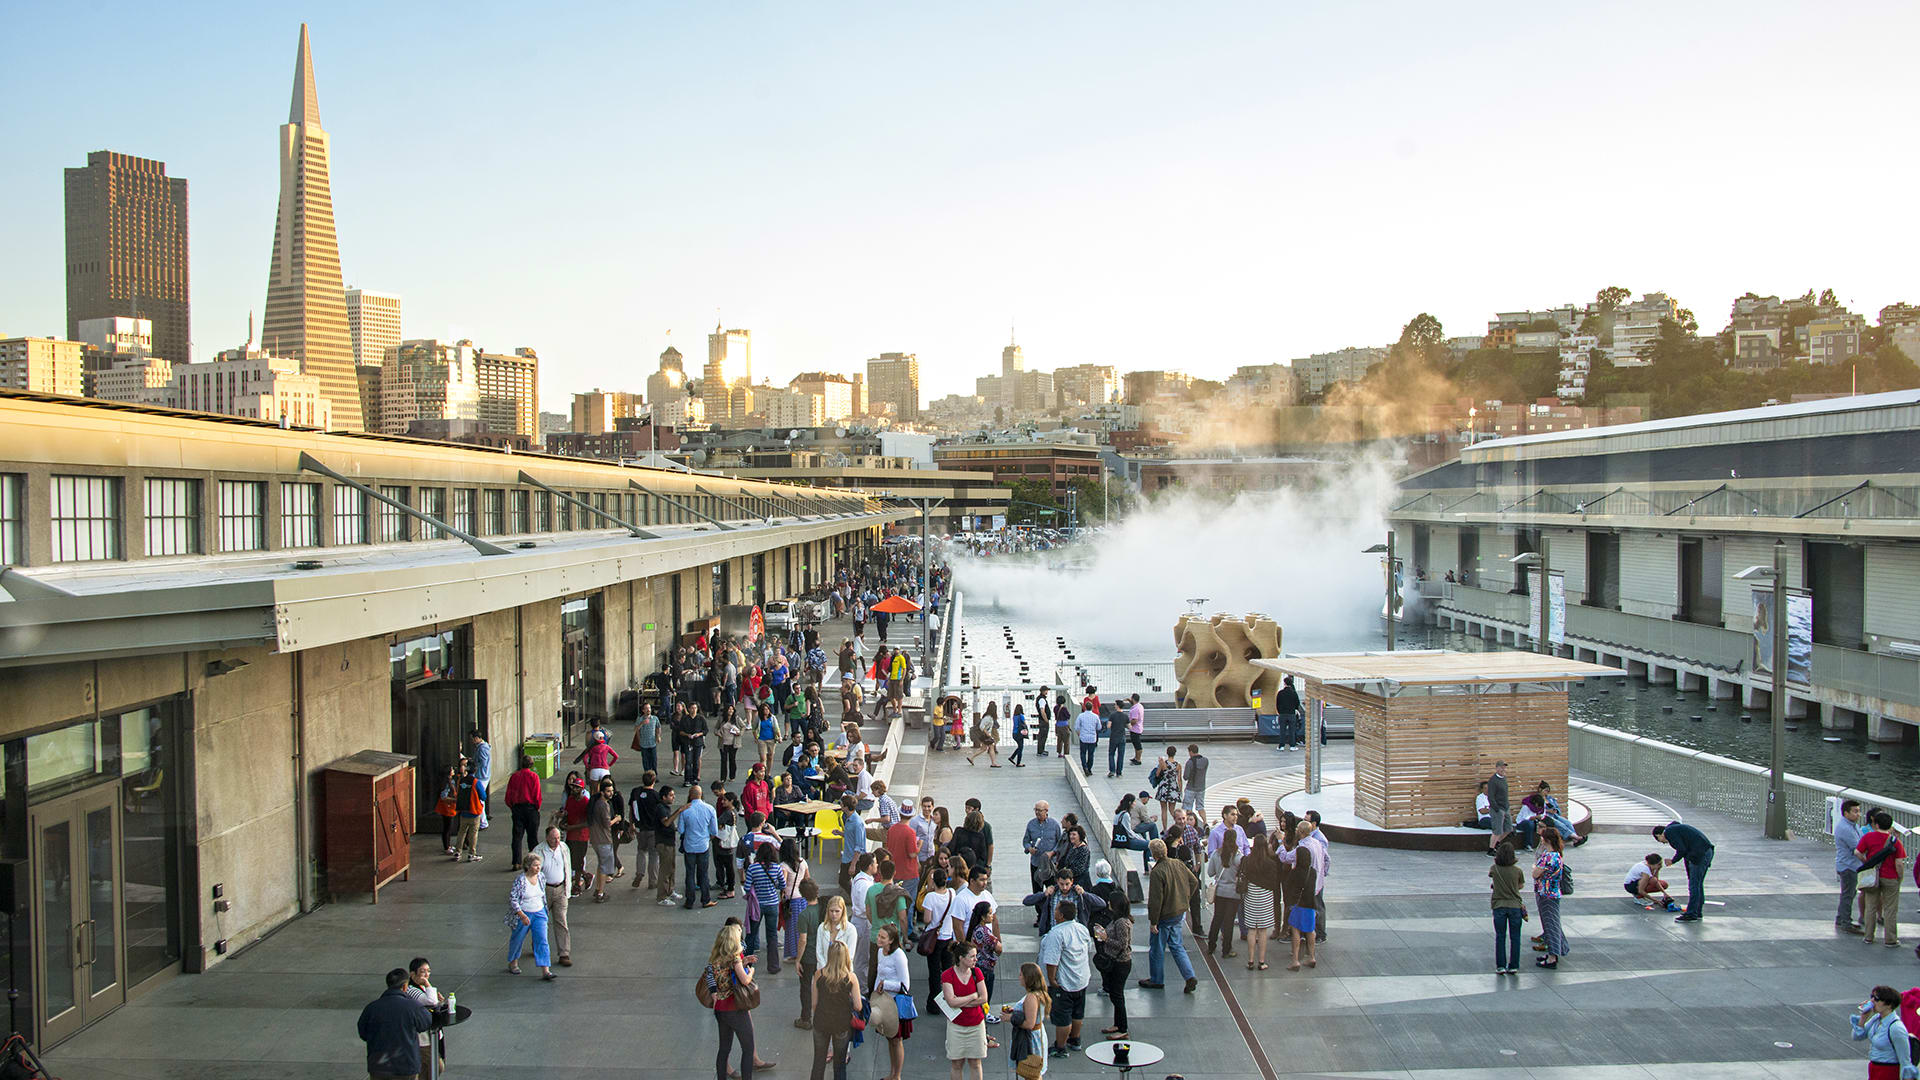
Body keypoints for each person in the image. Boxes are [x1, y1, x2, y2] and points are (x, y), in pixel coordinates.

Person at [705, 924, 771, 1080]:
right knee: (748, 1048)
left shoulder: (714, 958)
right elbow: (745, 980)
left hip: (720, 1009)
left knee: (724, 1048)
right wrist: (752, 970)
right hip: (735, 1008)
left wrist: (744, 961)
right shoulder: (734, 957)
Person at [1140, 839, 1198, 993]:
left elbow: (1156, 900)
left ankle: (1157, 979)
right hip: (1179, 912)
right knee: (1177, 946)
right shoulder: (1178, 863)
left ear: (1153, 854)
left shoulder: (1157, 872)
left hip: (1164, 916)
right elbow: (1194, 881)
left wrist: (1153, 921)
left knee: (1157, 948)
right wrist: (1185, 898)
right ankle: (1189, 975)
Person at [1038, 898, 1092, 1059]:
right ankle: (1075, 1039)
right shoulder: (1082, 929)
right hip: (1081, 979)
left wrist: (1052, 980)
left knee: (1063, 1017)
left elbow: (1051, 960)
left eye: (1056, 910)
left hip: (1064, 983)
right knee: (1077, 1012)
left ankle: (1060, 1047)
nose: (1054, 912)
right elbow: (1087, 948)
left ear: (1060, 915)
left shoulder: (1056, 933)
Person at [358, 967, 432, 1080]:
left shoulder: (371, 1008)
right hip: (406, 1067)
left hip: (379, 1067)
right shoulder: (413, 1007)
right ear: (405, 986)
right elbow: (426, 1023)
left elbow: (363, 1033)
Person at [810, 941, 862, 1080]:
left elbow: (814, 1004)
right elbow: (858, 1006)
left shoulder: (818, 975)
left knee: (819, 1061)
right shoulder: (851, 978)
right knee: (839, 1065)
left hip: (821, 1022)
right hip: (842, 1024)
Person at [941, 940, 990, 1080]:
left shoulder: (977, 972)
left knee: (975, 1062)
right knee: (957, 1063)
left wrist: (960, 1002)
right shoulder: (947, 975)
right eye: (972, 956)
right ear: (961, 958)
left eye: (976, 956)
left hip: (976, 1025)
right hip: (956, 1026)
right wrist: (972, 997)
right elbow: (950, 1001)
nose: (976, 959)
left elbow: (983, 998)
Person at [1857, 809, 1906, 947]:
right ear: (1890, 826)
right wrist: (1899, 878)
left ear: (1876, 824)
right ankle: (1890, 939)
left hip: (1873, 876)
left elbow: (1857, 852)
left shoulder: (1868, 837)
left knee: (1871, 907)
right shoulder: (1895, 842)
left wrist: (1867, 862)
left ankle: (1868, 937)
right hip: (1890, 877)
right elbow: (1899, 863)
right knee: (1890, 909)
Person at [871, 924, 914, 1080]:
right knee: (890, 1038)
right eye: (879, 936)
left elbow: (905, 985)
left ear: (891, 940)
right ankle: (892, 1073)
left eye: (883, 937)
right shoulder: (880, 952)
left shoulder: (899, 956)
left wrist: (886, 985)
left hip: (895, 1003)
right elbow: (878, 974)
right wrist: (875, 994)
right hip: (883, 1001)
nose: (879, 939)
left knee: (896, 1040)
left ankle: (897, 1075)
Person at [1851, 985, 1918, 1080]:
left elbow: (1905, 1060)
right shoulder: (1876, 1019)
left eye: (1877, 999)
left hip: (1888, 1071)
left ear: (1889, 1005)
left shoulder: (1896, 1028)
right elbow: (1856, 1036)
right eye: (1872, 997)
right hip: (1874, 1069)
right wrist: (1863, 1017)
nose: (1872, 1001)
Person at [507, 852, 556, 979]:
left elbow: (542, 894)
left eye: (539, 865)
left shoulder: (541, 877)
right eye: (535, 865)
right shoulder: (521, 880)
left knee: (542, 939)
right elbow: (513, 898)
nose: (538, 868)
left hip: (539, 912)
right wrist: (521, 915)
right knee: (517, 939)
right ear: (528, 866)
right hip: (524, 913)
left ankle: (545, 969)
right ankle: (513, 962)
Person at [1093, 886, 1133, 1039]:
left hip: (1120, 963)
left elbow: (1122, 944)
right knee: (1115, 994)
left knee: (1117, 995)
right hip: (1117, 961)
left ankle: (1122, 1028)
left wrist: (1106, 939)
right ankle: (1118, 1024)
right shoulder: (1117, 920)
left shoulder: (1122, 922)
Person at [1653, 821, 1714, 922]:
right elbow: (1686, 850)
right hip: (1705, 852)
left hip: (1699, 854)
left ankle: (1691, 914)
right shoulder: (1676, 828)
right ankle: (1697, 912)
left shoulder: (1669, 832)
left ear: (1659, 835)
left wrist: (1672, 861)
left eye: (1660, 840)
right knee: (1697, 884)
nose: (1664, 843)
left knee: (1694, 885)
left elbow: (1681, 850)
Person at [920, 867, 961, 1013]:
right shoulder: (952, 893)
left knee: (934, 971)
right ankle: (950, 999)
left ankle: (934, 1003)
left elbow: (927, 919)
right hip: (948, 936)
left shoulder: (930, 897)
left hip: (935, 939)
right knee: (948, 970)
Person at [744, 844, 789, 974]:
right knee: (772, 936)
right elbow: (782, 884)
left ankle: (747, 965)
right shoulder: (776, 868)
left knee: (751, 934)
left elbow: (747, 887)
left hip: (756, 905)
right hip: (772, 905)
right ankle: (773, 966)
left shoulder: (753, 868)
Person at [534, 825, 574, 967]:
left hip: (561, 889)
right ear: (547, 838)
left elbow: (567, 867)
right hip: (544, 891)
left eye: (558, 838)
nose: (557, 841)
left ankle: (564, 953)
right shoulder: (538, 851)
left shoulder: (564, 848)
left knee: (561, 921)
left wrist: (567, 888)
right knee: (540, 922)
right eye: (553, 838)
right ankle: (537, 946)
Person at [1531, 826, 1570, 968]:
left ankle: (1553, 957)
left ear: (1546, 839)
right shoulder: (1558, 855)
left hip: (1545, 894)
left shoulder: (1547, 856)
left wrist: (1534, 867)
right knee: (1552, 922)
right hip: (1553, 893)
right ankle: (1554, 952)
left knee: (1550, 924)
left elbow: (1536, 873)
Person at [678, 785, 721, 909]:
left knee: (690, 874)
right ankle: (705, 899)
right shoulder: (709, 809)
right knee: (703, 874)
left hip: (689, 845)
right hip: (703, 845)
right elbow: (714, 831)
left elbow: (681, 830)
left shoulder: (685, 810)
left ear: (690, 795)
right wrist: (708, 838)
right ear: (701, 794)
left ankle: (689, 901)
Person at [1489, 841, 1528, 975]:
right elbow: (1520, 885)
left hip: (1499, 905)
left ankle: (1500, 966)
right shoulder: (1518, 871)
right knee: (1515, 937)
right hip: (1515, 906)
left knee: (1500, 936)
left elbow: (1493, 880)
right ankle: (1514, 965)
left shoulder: (1494, 869)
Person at [402, 957, 443, 1077]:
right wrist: (427, 984)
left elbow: (432, 1003)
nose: (426, 975)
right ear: (412, 974)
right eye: (423, 971)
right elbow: (430, 1001)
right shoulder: (411, 989)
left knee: (426, 1068)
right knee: (436, 1065)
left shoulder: (421, 988)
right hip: (421, 1037)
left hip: (427, 1035)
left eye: (428, 971)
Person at [1008, 963, 1051, 1076]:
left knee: (1031, 1071)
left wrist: (1011, 1018)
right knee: (1034, 1072)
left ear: (1028, 978)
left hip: (1031, 1040)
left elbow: (1029, 1024)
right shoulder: (1038, 994)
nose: (1019, 977)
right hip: (1037, 1036)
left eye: (1021, 975)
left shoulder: (1031, 997)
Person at [1205, 834, 1242, 959]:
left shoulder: (1216, 854)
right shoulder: (1238, 856)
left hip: (1220, 891)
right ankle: (1226, 950)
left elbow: (1210, 872)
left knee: (1217, 918)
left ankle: (1211, 945)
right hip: (1234, 893)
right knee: (1229, 921)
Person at [504, 754, 543, 867]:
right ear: (531, 764)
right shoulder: (533, 776)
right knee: (532, 837)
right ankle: (533, 861)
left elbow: (509, 794)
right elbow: (536, 794)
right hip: (531, 808)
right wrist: (537, 806)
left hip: (517, 808)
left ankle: (516, 861)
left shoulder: (514, 776)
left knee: (517, 836)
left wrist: (512, 806)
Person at [1837, 799, 1868, 935]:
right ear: (1846, 813)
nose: (1858, 814)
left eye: (1859, 811)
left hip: (1851, 865)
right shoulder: (1845, 828)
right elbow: (1857, 848)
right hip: (1848, 866)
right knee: (1848, 895)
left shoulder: (1852, 825)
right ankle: (1845, 922)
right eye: (1855, 811)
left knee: (1848, 893)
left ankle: (1841, 919)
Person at [1024, 802, 1063, 895]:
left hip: (1050, 864)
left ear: (1046, 811)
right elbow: (1025, 841)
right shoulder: (1031, 824)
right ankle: (1039, 909)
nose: (1037, 812)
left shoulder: (1054, 825)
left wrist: (1052, 852)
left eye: (1040, 810)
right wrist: (1029, 848)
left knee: (1052, 891)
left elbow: (1060, 842)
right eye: (1035, 810)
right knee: (1037, 892)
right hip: (1036, 863)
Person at [1111, 794, 1154, 878]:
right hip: (1126, 841)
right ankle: (1147, 869)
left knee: (1146, 844)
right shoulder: (1126, 815)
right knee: (1149, 845)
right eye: (1134, 801)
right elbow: (1129, 831)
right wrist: (1140, 839)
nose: (1135, 803)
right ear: (1130, 803)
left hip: (1118, 840)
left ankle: (1147, 869)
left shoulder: (1118, 812)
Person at [453, 760, 485, 862]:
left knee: (461, 832)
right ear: (475, 770)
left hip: (463, 810)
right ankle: (472, 854)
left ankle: (458, 852)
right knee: (473, 833)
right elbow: (483, 796)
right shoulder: (476, 782)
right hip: (474, 811)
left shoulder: (461, 781)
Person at [467, 729, 493, 829]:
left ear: (477, 738)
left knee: (479, 800)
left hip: (481, 776)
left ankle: (483, 822)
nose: (471, 741)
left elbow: (482, 763)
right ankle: (483, 820)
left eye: (472, 739)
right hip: (483, 775)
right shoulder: (483, 747)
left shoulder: (482, 749)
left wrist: (473, 763)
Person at [1152, 747, 1182, 828]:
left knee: (1164, 810)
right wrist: (1180, 791)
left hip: (1164, 787)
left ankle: (1165, 829)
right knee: (1172, 810)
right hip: (1173, 787)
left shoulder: (1163, 763)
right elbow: (1179, 779)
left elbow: (1157, 774)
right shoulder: (1178, 765)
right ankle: (1179, 825)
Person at [1182, 745, 1210, 827]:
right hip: (1201, 787)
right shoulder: (1205, 760)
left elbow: (1185, 777)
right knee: (1200, 807)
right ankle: (1205, 823)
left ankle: (1189, 824)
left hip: (1191, 787)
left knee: (1188, 807)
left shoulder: (1190, 762)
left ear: (1190, 752)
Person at [1486, 761, 1510, 856]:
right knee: (1497, 830)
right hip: (1498, 808)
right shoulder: (1493, 780)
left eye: (1504, 767)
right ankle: (1490, 849)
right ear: (1496, 768)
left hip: (1505, 807)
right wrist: (1496, 808)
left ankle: (1497, 844)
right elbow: (1491, 796)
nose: (1503, 769)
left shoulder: (1504, 779)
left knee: (1508, 829)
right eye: (1501, 767)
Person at [1275, 675, 1304, 752]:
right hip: (1291, 714)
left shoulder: (1280, 693)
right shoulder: (1293, 693)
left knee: (1282, 731)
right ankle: (1292, 746)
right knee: (1292, 730)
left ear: (1284, 683)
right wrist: (1294, 709)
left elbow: (1277, 703)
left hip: (1283, 714)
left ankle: (1281, 746)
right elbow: (1297, 703)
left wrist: (1279, 711)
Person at [633, 703, 662, 775]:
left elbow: (658, 727)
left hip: (652, 743)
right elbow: (635, 729)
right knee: (646, 760)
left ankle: (654, 774)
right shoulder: (640, 719)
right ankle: (647, 773)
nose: (648, 710)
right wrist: (642, 723)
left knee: (654, 760)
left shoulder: (655, 718)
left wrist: (658, 736)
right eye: (646, 708)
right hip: (643, 743)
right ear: (643, 710)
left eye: (649, 708)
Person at [1074, 703, 1101, 775]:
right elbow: (1099, 727)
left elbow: (1076, 727)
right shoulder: (1095, 716)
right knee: (1091, 754)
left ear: (1085, 707)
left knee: (1083, 753)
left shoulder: (1081, 716)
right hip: (1092, 738)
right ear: (1092, 708)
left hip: (1083, 737)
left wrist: (1079, 734)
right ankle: (1089, 768)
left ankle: (1084, 767)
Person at [1104, 704, 1128, 779]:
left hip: (1114, 737)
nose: (1114, 706)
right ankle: (1119, 772)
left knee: (1111, 754)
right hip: (1122, 737)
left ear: (1117, 706)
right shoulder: (1125, 716)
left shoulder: (1112, 715)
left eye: (1115, 705)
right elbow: (1129, 726)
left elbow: (1108, 726)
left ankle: (1112, 771)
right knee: (1121, 755)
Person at [1126, 694, 1146, 765]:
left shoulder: (1135, 709)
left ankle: (1138, 759)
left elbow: (1134, 720)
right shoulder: (1139, 706)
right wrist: (1129, 700)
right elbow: (1133, 703)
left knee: (1137, 744)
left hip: (1135, 729)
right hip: (1139, 728)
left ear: (1133, 699)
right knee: (1135, 744)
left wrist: (1128, 724)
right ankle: (1136, 757)